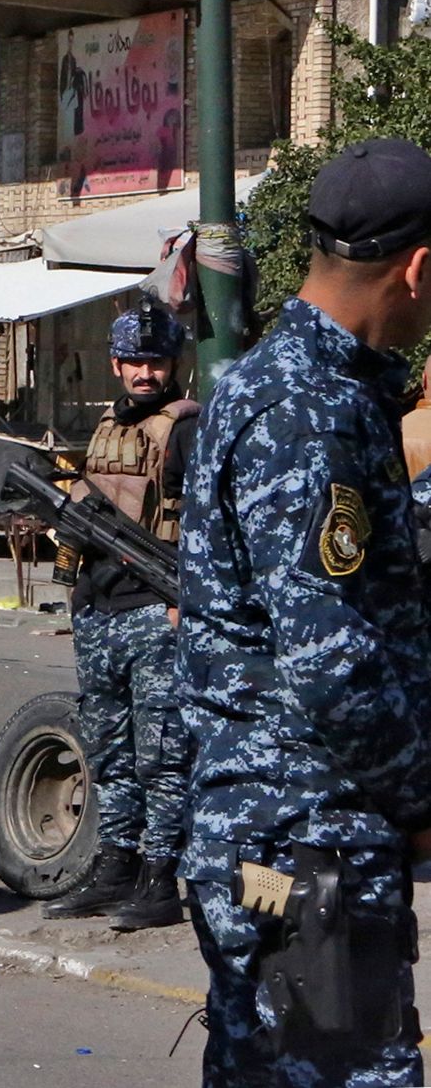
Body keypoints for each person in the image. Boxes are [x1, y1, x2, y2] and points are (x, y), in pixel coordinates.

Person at [180, 138, 431, 1084]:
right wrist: (421, 792)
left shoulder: (300, 388)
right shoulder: (310, 409)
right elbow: (334, 660)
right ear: (418, 268)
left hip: (286, 834)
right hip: (309, 840)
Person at [41, 302, 196, 932]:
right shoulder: (108, 427)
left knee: (160, 750)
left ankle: (160, 877)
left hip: (154, 608)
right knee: (109, 748)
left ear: (172, 364)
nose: (144, 372)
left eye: (155, 360)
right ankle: (115, 865)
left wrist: (185, 600)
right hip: (100, 610)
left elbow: (209, 519)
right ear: (115, 363)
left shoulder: (185, 429)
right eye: (133, 360)